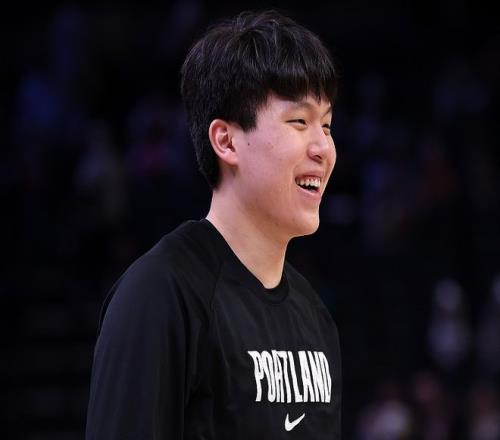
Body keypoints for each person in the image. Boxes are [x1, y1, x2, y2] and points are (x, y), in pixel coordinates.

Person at [85, 9, 341, 439]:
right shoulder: (160, 294)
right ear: (226, 141)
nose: (323, 148)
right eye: (299, 121)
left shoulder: (314, 315)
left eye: (327, 125)